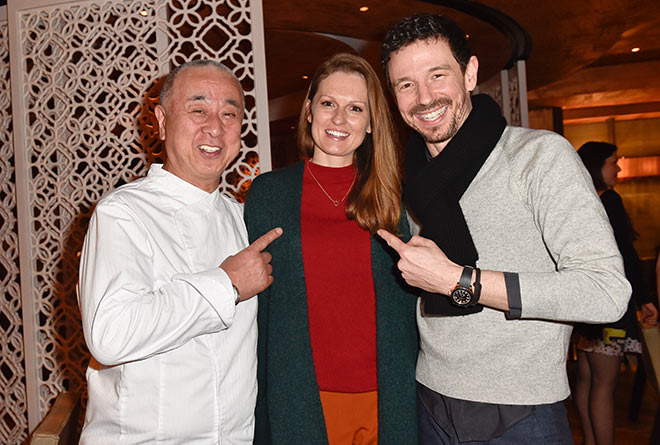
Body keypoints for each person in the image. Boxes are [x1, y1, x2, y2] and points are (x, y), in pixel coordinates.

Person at [377, 13, 631, 444]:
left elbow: (606, 292)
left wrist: (461, 282)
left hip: (521, 414)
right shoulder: (409, 180)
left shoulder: (539, 157)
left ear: (470, 73)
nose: (423, 97)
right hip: (430, 401)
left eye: (438, 75)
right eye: (406, 84)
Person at [77, 60, 281, 444]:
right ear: (161, 120)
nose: (215, 127)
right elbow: (110, 334)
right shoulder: (123, 213)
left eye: (229, 114)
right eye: (198, 110)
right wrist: (227, 284)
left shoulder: (244, 220)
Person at [244, 53, 418, 444]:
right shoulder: (268, 196)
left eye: (355, 108)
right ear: (309, 110)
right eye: (328, 104)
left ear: (371, 122)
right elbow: (257, 311)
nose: (339, 119)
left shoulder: (392, 198)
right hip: (299, 397)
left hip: (386, 397)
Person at [572, 141, 658, 445]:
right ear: (597, 166)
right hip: (608, 307)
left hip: (583, 306)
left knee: (586, 379)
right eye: (613, 162)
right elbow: (627, 256)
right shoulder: (610, 200)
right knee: (604, 385)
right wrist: (645, 298)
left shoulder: (577, 200)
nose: (618, 168)